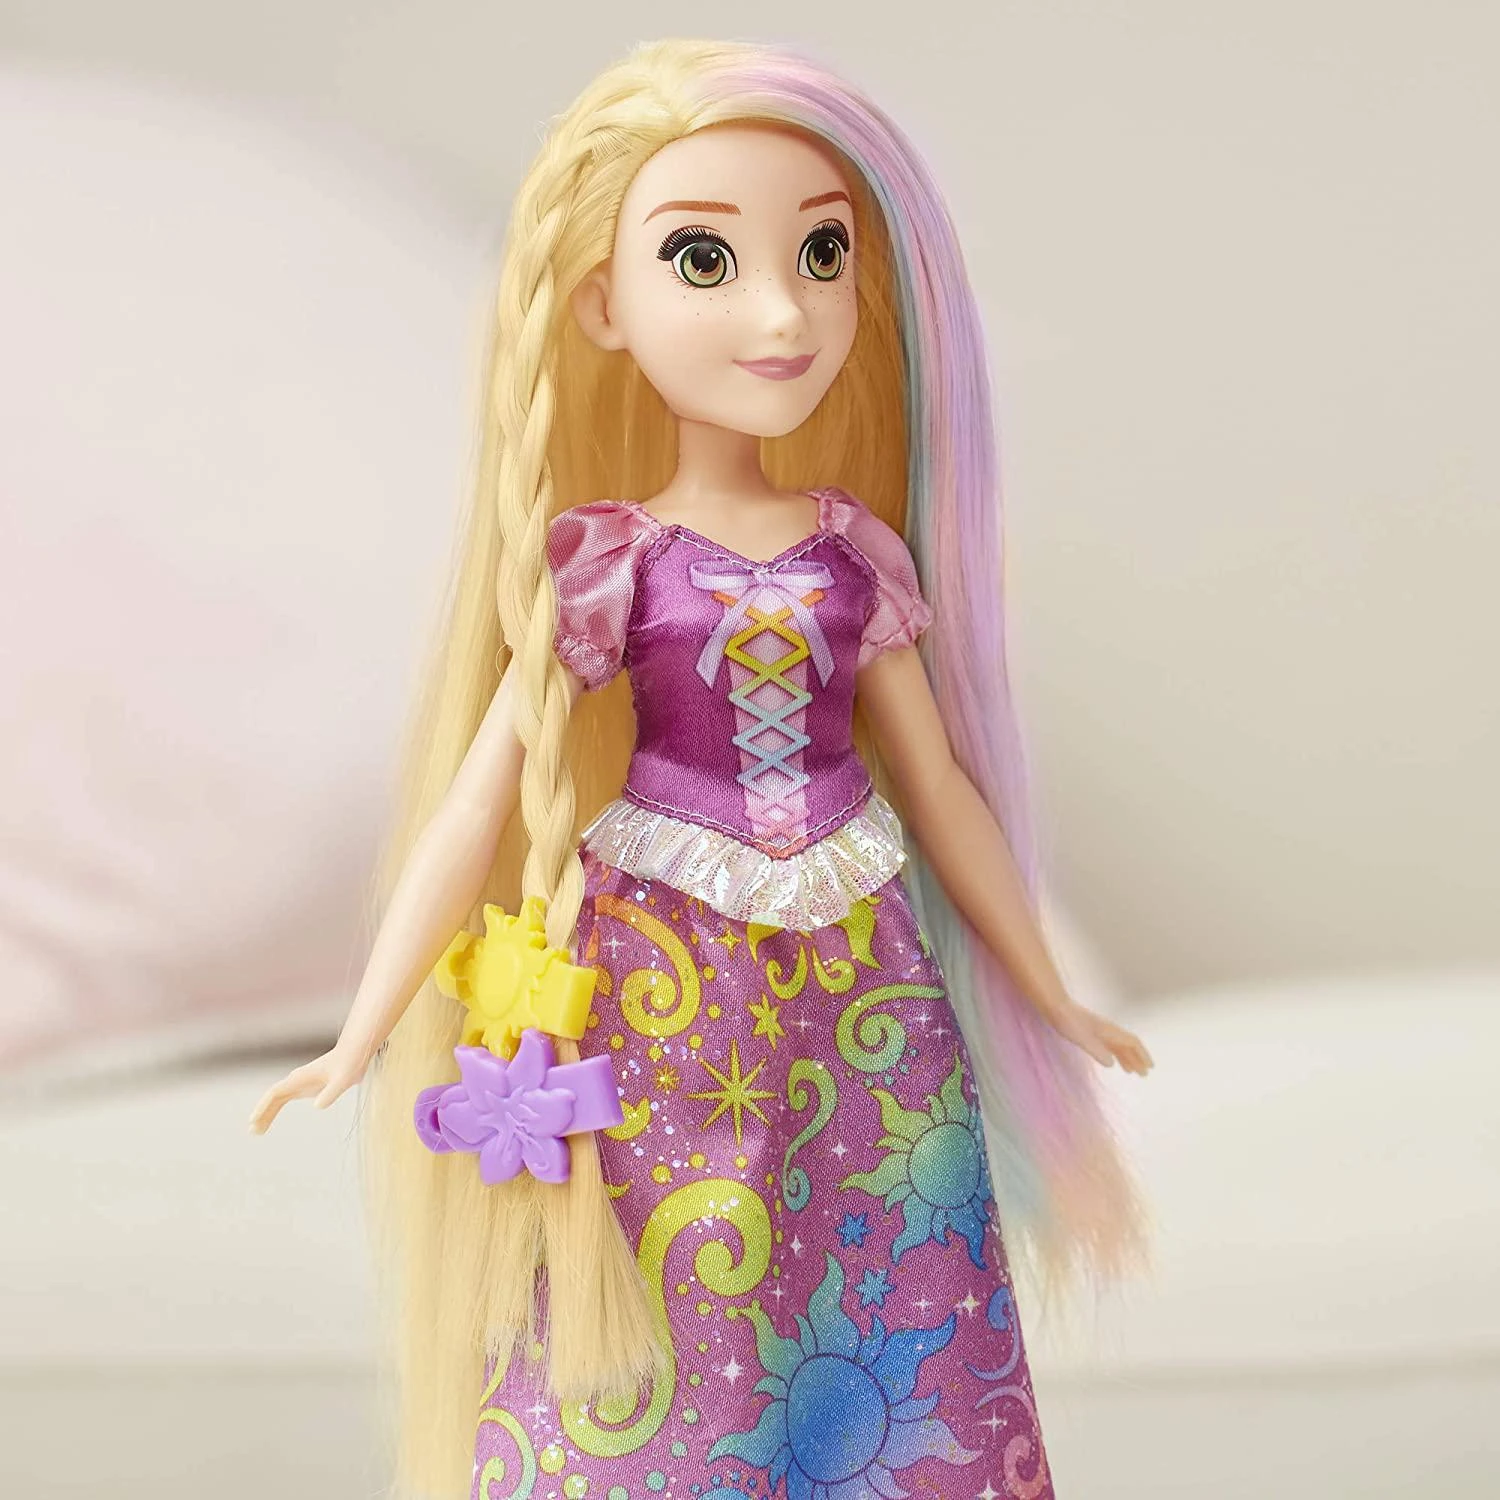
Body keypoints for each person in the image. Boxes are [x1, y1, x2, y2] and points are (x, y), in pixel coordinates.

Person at [250, 37, 1154, 1500]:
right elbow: (480, 798)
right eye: (704, 261)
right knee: (681, 1309)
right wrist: (363, 1032)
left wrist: (1049, 994)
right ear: (602, 306)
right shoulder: (610, 564)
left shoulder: (857, 555)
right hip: (661, 979)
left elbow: (938, 789)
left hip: (862, 984)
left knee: (888, 1267)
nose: (783, 312)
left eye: (821, 255)